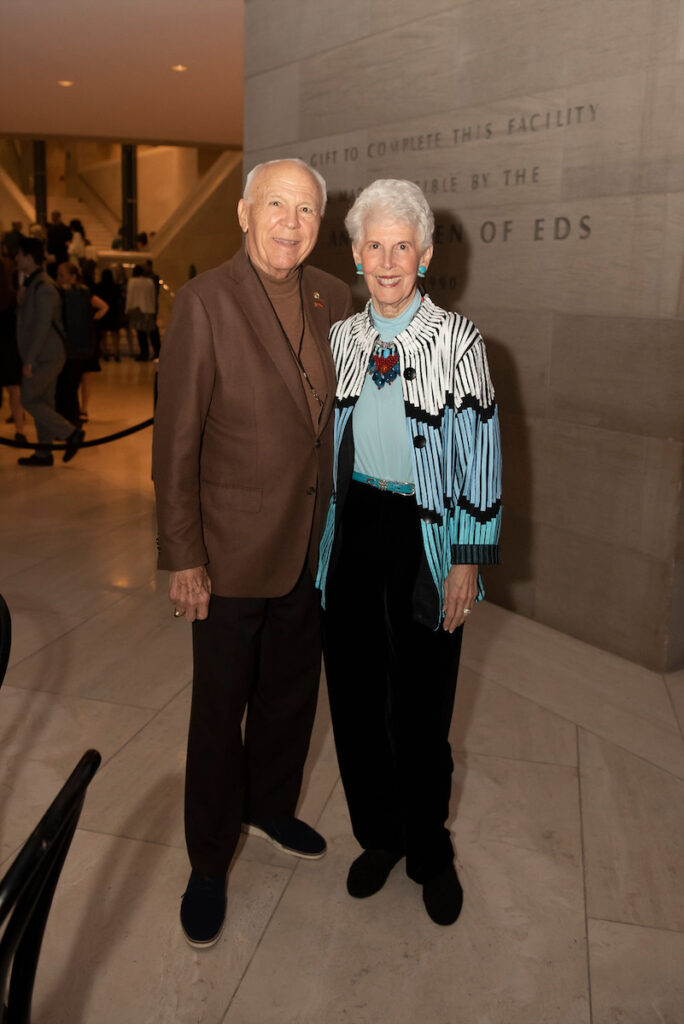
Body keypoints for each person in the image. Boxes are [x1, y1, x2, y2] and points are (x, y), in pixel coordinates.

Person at [153, 158, 353, 948]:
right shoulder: (206, 302)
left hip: (311, 544)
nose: (289, 224)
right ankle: (209, 860)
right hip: (229, 553)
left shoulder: (333, 296)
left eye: (304, 210)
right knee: (218, 711)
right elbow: (176, 442)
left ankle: (269, 808)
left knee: (291, 696)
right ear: (244, 213)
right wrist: (184, 556)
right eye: (275, 204)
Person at [316, 180, 502, 926]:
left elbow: (482, 451)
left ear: (424, 256)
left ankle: (429, 850)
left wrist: (466, 557)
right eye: (375, 246)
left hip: (427, 531)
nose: (388, 261)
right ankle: (381, 836)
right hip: (355, 524)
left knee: (421, 707)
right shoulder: (343, 339)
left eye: (402, 247)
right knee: (356, 696)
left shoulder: (459, 340)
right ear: (357, 255)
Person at [14, 237, 85, 466]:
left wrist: (30, 359)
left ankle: (70, 433)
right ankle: (44, 453)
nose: (16, 259)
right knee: (43, 401)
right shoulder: (34, 284)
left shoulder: (44, 286)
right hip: (43, 355)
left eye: (19, 254)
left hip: (46, 356)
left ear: (29, 257)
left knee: (28, 399)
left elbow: (43, 326)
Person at [55, 261, 108, 425]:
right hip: (80, 345)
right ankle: (79, 413)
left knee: (74, 382)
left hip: (76, 345)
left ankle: (79, 413)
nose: (59, 278)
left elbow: (104, 307)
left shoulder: (81, 294)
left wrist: (92, 320)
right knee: (75, 382)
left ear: (73, 276)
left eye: (62, 275)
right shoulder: (79, 293)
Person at [125, 265, 156, 360]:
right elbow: (153, 296)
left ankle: (144, 353)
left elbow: (130, 296)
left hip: (137, 309)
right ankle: (156, 352)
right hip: (149, 309)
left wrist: (127, 309)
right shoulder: (149, 281)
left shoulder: (132, 281)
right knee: (151, 332)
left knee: (141, 333)